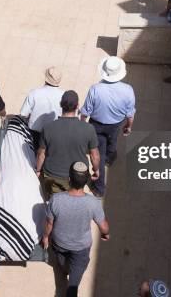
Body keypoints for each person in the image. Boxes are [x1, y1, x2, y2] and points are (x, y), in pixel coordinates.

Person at [42, 162, 110, 297]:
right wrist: (105, 234)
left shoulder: (56, 200)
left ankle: (66, 269)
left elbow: (49, 223)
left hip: (59, 243)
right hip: (81, 248)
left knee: (62, 264)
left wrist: (45, 237)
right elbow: (104, 227)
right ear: (86, 181)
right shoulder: (93, 203)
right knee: (75, 280)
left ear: (69, 179)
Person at [80, 56, 135, 198]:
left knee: (98, 154)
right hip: (116, 124)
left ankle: (99, 187)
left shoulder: (95, 89)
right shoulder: (128, 90)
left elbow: (85, 112)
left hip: (96, 125)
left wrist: (81, 125)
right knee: (113, 140)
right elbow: (130, 115)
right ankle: (110, 158)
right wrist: (128, 127)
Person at [36, 90, 100, 199]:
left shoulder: (48, 128)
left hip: (52, 176)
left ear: (61, 105)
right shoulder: (88, 129)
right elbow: (95, 155)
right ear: (77, 106)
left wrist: (38, 170)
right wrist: (96, 169)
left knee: (54, 202)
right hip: (78, 177)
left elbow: (41, 154)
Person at [20, 66, 64, 148]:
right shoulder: (63, 95)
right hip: (53, 135)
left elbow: (23, 114)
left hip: (34, 133)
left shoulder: (34, 93)